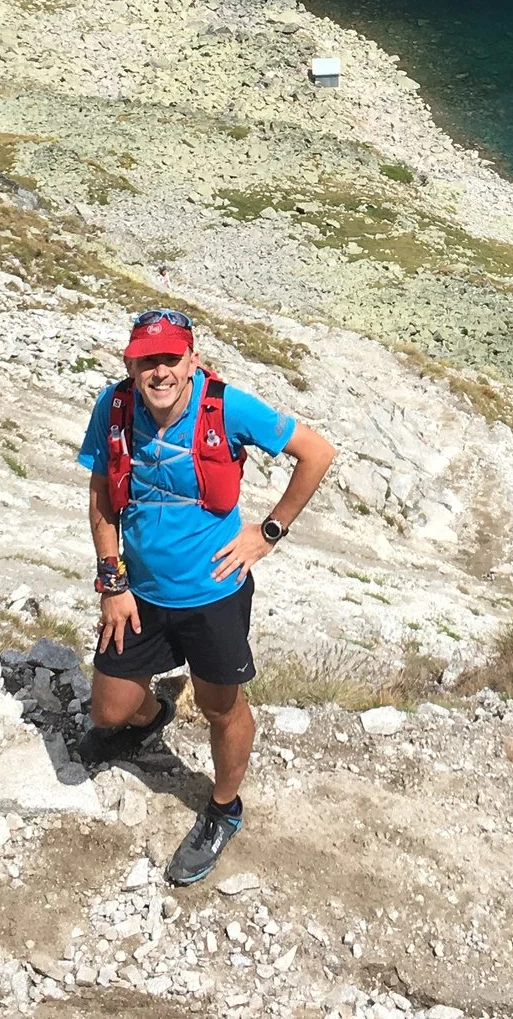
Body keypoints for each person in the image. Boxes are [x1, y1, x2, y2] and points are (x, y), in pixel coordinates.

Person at [74, 308, 336, 885]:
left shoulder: (227, 406)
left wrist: (268, 533)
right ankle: (154, 714)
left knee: (220, 707)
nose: (160, 372)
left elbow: (317, 453)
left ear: (192, 360)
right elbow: (100, 495)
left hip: (214, 594)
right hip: (138, 592)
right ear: (130, 363)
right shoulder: (113, 408)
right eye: (148, 360)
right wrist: (111, 583)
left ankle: (223, 808)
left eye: (171, 358)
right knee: (110, 710)